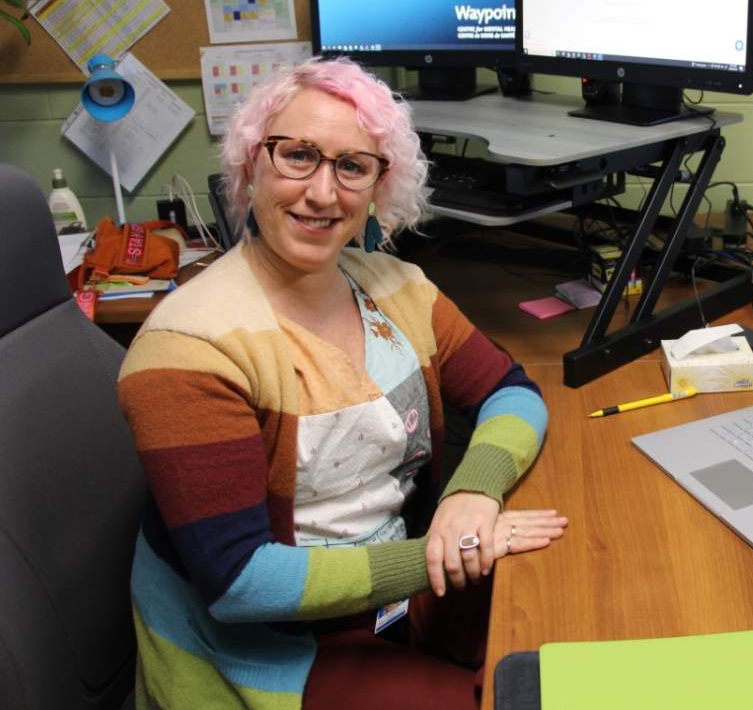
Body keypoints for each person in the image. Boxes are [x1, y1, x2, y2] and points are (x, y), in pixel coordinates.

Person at [117, 57, 567, 709]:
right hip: (280, 645)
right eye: (298, 155)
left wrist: (473, 491)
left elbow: (513, 390)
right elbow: (241, 582)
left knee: (558, 640)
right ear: (251, 164)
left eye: (352, 166)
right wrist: (446, 547)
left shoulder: (397, 287)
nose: (323, 193)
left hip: (396, 592)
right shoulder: (187, 348)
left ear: (380, 187)